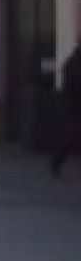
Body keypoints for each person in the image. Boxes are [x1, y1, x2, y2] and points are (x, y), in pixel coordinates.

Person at [52, 42, 81, 178]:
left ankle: (56, 162)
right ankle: (56, 162)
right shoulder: (74, 63)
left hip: (73, 104)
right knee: (72, 136)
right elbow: (72, 86)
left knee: (72, 136)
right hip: (74, 106)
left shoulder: (72, 62)